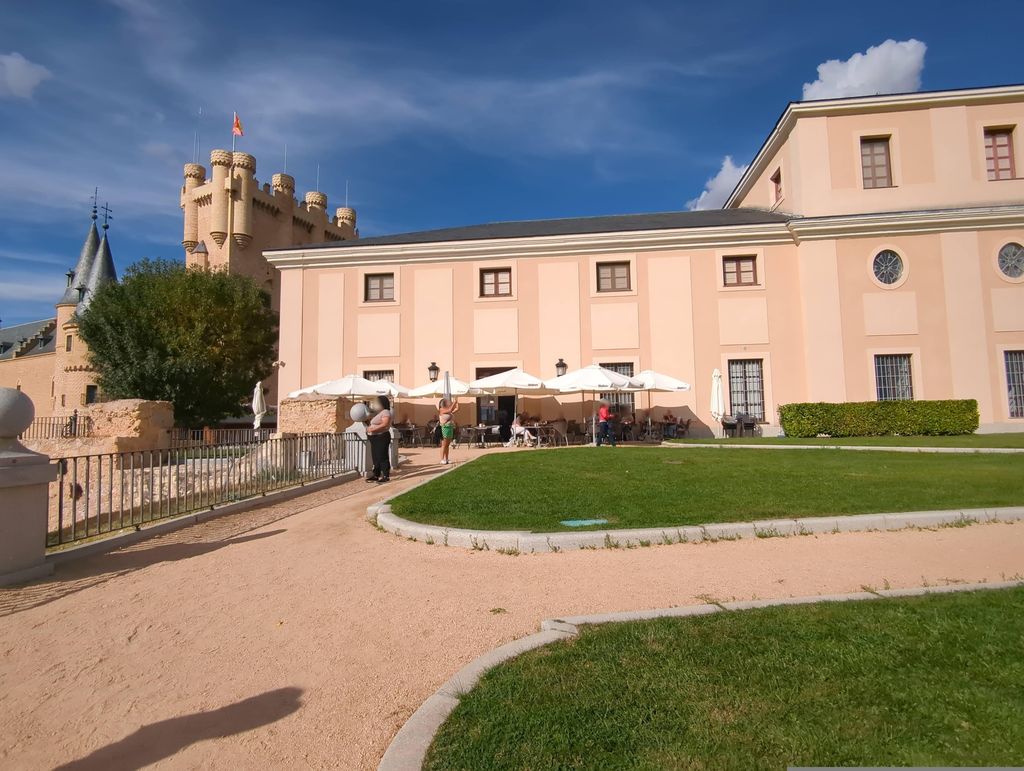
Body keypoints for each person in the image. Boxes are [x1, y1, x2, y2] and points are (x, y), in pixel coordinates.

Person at [366, 395, 393, 483]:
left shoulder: (386, 412)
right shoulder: (380, 413)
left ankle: (385, 475)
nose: (375, 404)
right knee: (376, 457)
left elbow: (385, 424)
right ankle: (376, 474)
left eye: (377, 402)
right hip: (375, 437)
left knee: (382, 456)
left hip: (381, 436)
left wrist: (372, 429)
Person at [438, 396, 460, 465]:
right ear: (444, 404)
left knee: (447, 445)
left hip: (450, 428)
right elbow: (450, 410)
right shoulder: (441, 410)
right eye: (448, 402)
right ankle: (442, 459)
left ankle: (447, 459)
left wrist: (457, 402)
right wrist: (454, 402)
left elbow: (457, 409)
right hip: (444, 428)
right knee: (444, 445)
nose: (449, 403)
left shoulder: (448, 411)